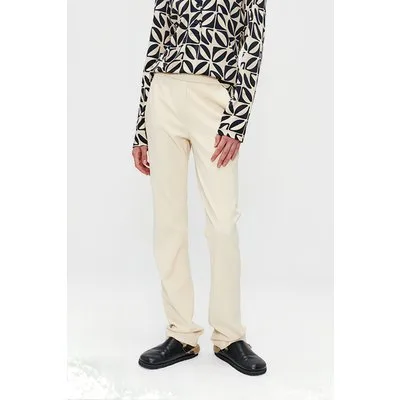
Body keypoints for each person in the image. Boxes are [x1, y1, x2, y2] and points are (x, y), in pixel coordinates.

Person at [132, 0, 267, 376]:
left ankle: (229, 336)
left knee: (222, 222)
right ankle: (181, 333)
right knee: (168, 221)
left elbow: (252, 44)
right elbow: (157, 40)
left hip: (215, 99)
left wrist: (236, 121)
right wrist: (141, 127)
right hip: (165, 94)